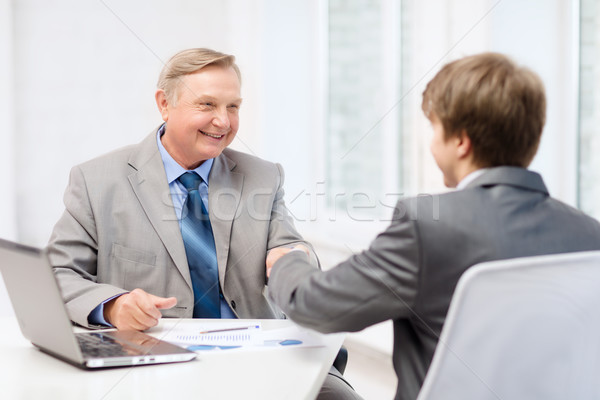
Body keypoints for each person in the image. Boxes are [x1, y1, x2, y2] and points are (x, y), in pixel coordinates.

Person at [265, 52, 600, 400]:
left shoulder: (427, 226)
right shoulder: (590, 235)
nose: (431, 141)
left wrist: (288, 262)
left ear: (460, 142)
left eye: (435, 127)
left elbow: (317, 307)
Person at [47, 48, 359, 399]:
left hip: (261, 358)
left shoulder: (263, 176)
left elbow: (289, 247)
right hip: (151, 362)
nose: (223, 122)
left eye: (233, 106)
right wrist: (113, 305)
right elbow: (58, 274)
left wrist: (295, 257)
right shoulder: (96, 180)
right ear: (165, 104)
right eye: (207, 105)